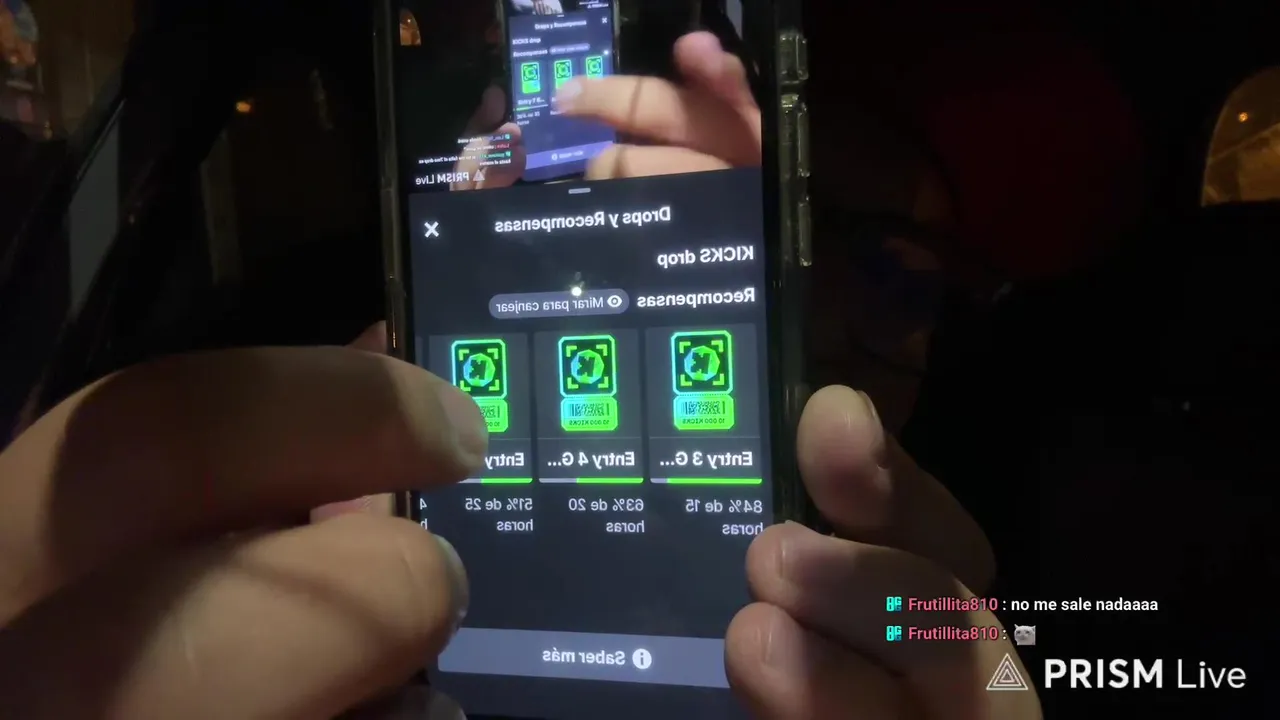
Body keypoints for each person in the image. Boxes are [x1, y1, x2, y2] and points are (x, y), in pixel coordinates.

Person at [0, 33, 1041, 718]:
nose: (807, 316)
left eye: (901, 276)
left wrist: (988, 649)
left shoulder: (982, 584)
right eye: (754, 226)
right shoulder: (310, 502)